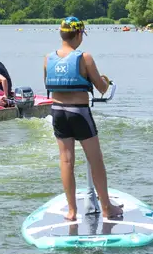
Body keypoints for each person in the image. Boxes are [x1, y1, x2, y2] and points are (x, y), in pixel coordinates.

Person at [45, 17, 116, 223]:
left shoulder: (48, 58)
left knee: (66, 160)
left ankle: (71, 211)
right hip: (79, 112)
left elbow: (48, 84)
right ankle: (106, 208)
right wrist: (105, 80)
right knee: (96, 161)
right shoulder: (85, 58)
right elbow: (101, 88)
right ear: (78, 34)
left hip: (57, 111)